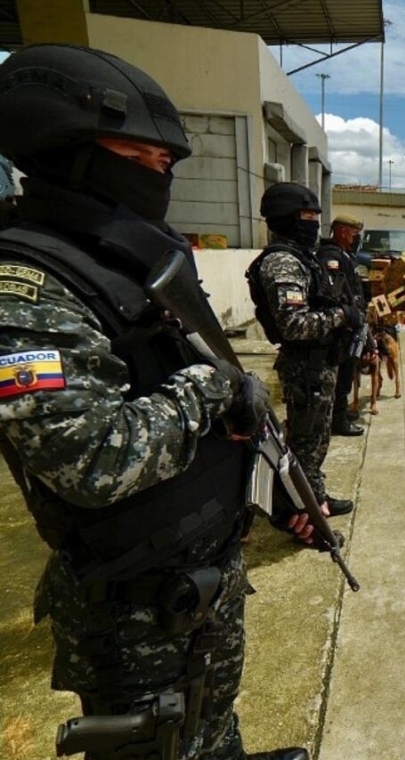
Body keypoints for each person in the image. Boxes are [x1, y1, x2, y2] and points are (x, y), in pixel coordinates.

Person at [0, 44, 310, 760]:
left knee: (209, 709)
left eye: (166, 166)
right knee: (162, 739)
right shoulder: (28, 288)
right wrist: (213, 385)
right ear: (66, 153)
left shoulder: (129, 259)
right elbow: (94, 460)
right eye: (139, 161)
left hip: (196, 556)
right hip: (135, 593)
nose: (159, 178)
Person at [247, 183, 357, 516]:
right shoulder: (282, 262)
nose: (313, 223)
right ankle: (304, 515)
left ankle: (314, 497)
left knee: (315, 444)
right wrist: (341, 316)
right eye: (307, 216)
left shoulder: (301, 258)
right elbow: (293, 325)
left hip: (318, 364)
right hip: (305, 367)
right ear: (286, 219)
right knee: (305, 446)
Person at [320, 214, 369, 437]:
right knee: (340, 376)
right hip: (340, 327)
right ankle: (337, 420)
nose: (356, 239)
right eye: (354, 234)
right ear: (342, 232)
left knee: (348, 372)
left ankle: (341, 412)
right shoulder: (331, 257)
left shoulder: (346, 255)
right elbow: (335, 294)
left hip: (351, 324)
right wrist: (348, 316)